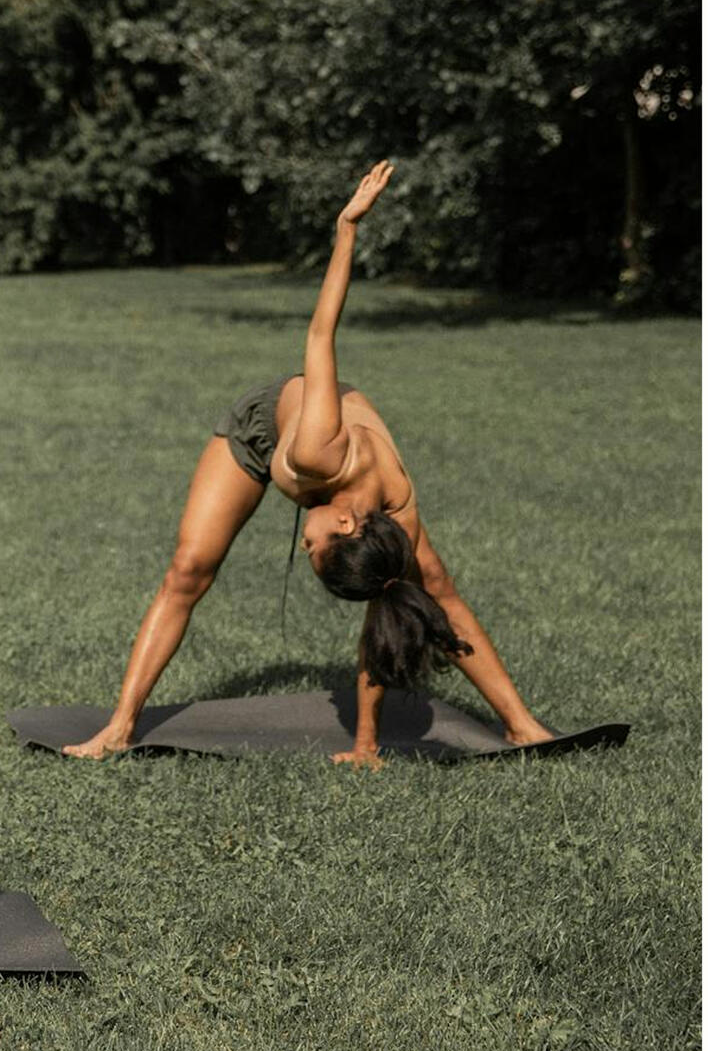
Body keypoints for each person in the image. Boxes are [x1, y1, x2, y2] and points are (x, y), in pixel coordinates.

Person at [64, 161, 555, 767]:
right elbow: (322, 334)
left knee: (435, 586)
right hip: (267, 429)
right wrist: (347, 228)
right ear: (345, 524)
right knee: (189, 570)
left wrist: (367, 746)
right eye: (314, 548)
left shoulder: (392, 516)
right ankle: (119, 726)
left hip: (325, 478)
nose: (304, 546)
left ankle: (521, 724)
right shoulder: (320, 445)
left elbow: (384, 612)